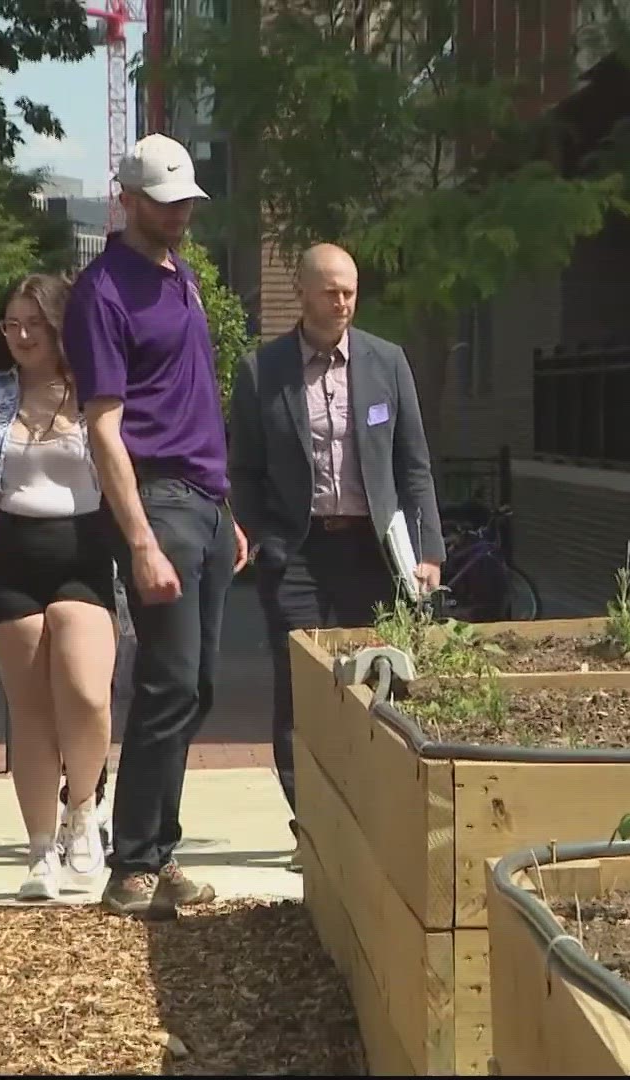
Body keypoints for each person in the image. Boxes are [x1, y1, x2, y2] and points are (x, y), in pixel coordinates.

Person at [64, 132, 249, 919]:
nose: (179, 216)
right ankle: (133, 864)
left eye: (186, 205)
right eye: (166, 204)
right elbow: (103, 426)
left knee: (197, 686)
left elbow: (197, 397)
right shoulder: (101, 291)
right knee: (167, 681)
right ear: (128, 201)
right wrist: (139, 539)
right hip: (159, 501)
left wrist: (226, 508)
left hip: (204, 502)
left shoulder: (187, 280)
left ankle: (159, 851)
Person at [227, 242, 444, 860]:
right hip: (296, 554)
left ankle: (371, 813)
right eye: (331, 290)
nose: (343, 301)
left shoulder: (386, 362)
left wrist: (428, 550)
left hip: (373, 554)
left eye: (350, 289)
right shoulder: (261, 372)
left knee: (378, 684)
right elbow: (243, 468)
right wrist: (261, 535)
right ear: (303, 291)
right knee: (302, 691)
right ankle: (310, 824)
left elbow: (414, 465)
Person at [0, 274, 118, 901]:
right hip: (8, 556)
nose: (19, 336)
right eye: (10, 324)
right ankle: (41, 850)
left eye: (32, 324)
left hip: (84, 557)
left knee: (87, 693)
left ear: (62, 326)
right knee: (32, 710)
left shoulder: (98, 392)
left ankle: (85, 807)